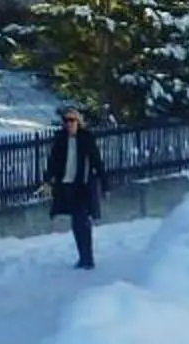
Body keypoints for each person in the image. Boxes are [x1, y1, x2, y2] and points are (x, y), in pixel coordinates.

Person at [45, 105, 105, 269]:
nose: (69, 124)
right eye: (66, 120)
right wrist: (48, 179)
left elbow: (96, 160)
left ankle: (88, 258)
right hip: (66, 185)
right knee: (76, 223)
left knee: (82, 221)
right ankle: (83, 257)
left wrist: (104, 182)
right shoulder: (60, 139)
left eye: (72, 120)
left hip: (82, 186)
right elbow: (53, 161)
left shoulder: (86, 138)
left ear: (78, 122)